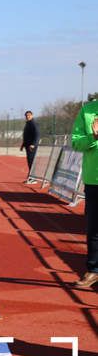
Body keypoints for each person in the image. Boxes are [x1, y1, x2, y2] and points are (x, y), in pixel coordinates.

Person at [70, 102, 98, 289]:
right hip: (94, 178)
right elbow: (75, 142)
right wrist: (93, 136)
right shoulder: (87, 111)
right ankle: (94, 270)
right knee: (94, 228)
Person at [20, 110, 39, 175]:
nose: (27, 116)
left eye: (29, 115)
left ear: (32, 115)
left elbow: (37, 134)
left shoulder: (33, 123)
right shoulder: (28, 123)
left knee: (31, 161)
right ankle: (31, 176)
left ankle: (33, 177)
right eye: (26, 116)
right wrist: (23, 145)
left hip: (31, 146)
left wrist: (33, 144)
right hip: (27, 146)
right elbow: (26, 135)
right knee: (29, 161)